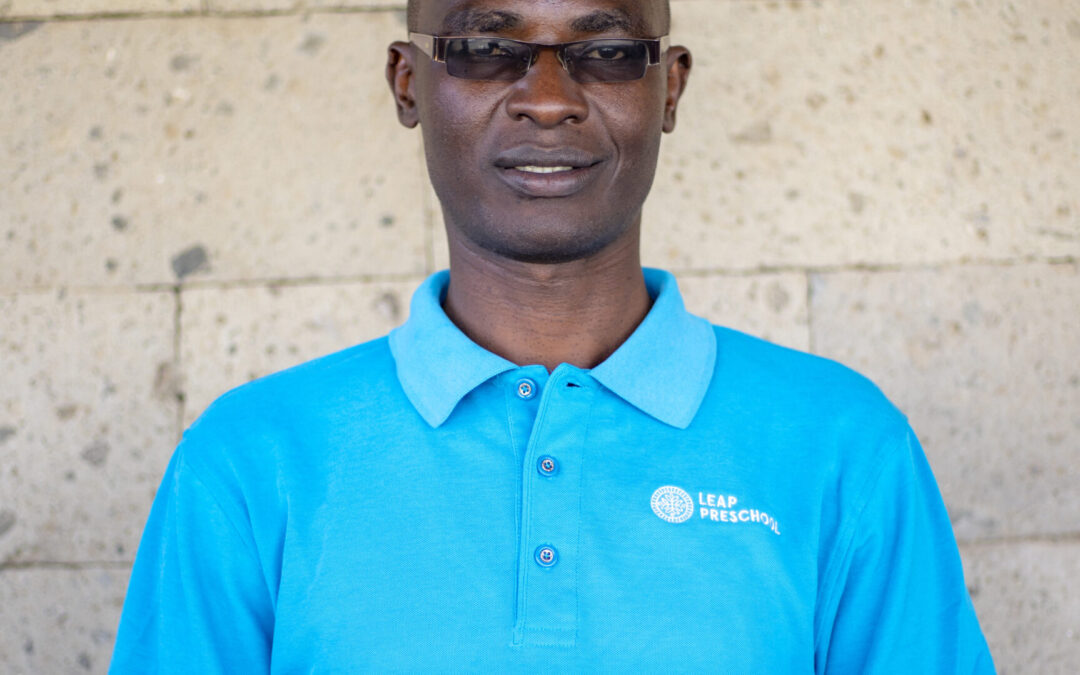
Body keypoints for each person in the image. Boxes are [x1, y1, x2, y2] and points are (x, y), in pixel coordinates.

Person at [111, 0, 995, 671]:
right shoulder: (250, 460)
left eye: (605, 53)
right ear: (408, 83)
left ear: (670, 86)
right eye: (485, 48)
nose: (546, 101)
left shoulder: (843, 444)